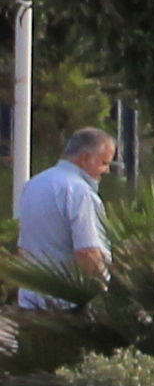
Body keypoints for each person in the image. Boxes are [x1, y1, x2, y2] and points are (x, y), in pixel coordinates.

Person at [14, 125, 114, 312]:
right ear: (86, 158)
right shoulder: (80, 192)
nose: (106, 171)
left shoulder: (33, 185)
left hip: (30, 302)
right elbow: (87, 253)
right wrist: (106, 295)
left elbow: (23, 248)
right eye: (104, 163)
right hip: (68, 306)